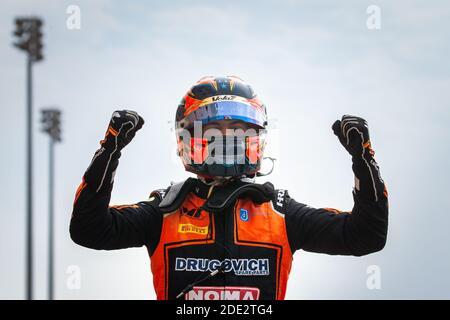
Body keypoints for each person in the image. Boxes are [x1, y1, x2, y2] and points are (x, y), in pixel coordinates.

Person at [70, 75, 389, 300]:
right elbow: (89, 230)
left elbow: (365, 237)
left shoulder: (279, 213)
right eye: (213, 131)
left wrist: (363, 159)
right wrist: (109, 150)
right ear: (187, 139)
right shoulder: (165, 210)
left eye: (236, 130)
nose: (225, 140)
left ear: (256, 138)